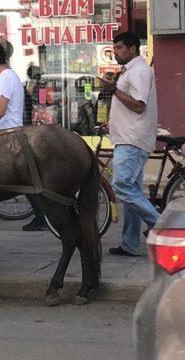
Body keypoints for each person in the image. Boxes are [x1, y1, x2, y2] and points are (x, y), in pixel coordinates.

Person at [0, 43, 49, 231]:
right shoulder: (7, 77)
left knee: (7, 177)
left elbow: (0, 111)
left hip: (4, 136)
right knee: (14, 178)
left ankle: (42, 216)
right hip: (5, 133)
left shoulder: (5, 78)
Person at [100, 32, 159, 257]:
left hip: (132, 141)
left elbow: (139, 106)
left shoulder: (140, 71)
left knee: (121, 186)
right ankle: (130, 244)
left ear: (133, 48)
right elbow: (130, 107)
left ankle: (164, 228)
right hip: (126, 138)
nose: (115, 51)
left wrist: (113, 89)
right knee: (132, 190)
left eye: (120, 47)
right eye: (114, 47)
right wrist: (112, 125)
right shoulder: (130, 71)